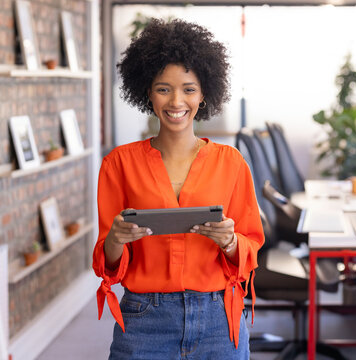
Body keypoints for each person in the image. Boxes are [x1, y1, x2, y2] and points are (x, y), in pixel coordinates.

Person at [93, 18, 264, 359]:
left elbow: (250, 249)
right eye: (163, 88)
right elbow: (107, 263)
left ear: (203, 95)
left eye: (188, 88)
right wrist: (115, 240)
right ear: (147, 92)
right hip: (144, 320)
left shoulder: (231, 164)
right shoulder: (119, 164)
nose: (176, 101)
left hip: (217, 317)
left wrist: (230, 240)